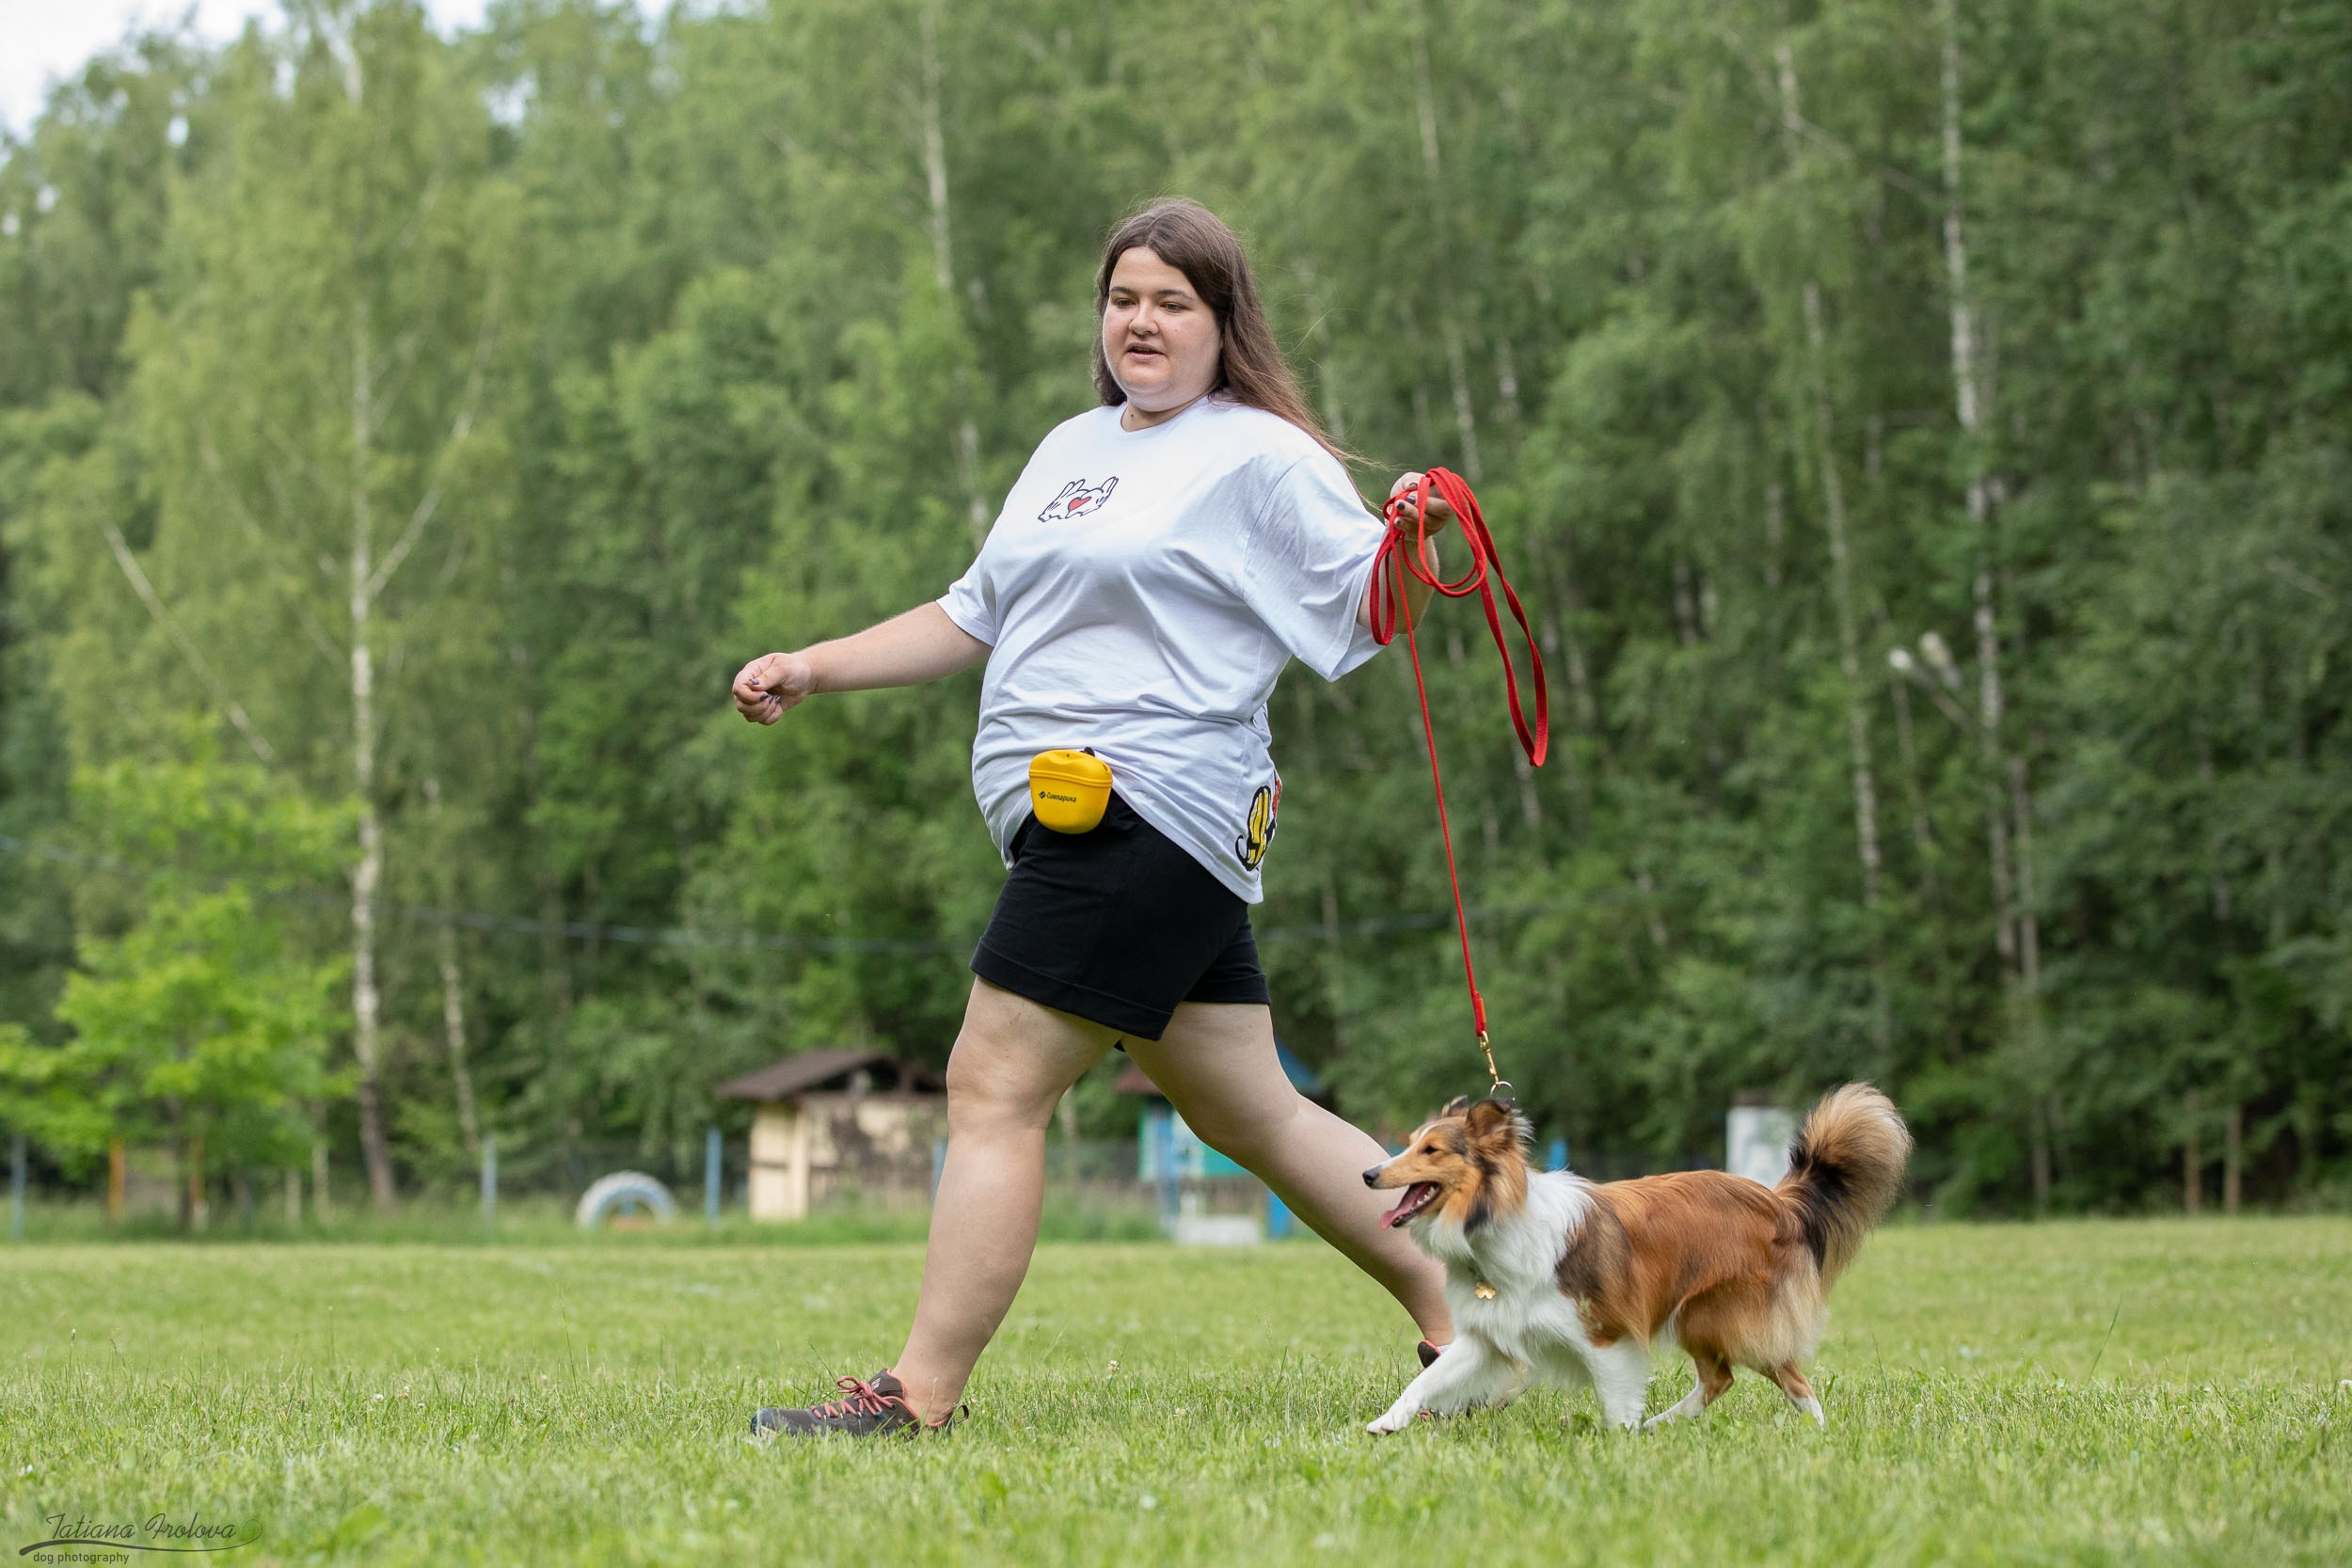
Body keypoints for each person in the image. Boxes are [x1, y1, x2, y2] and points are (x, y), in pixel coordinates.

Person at [730, 198, 1461, 1436]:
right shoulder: (1072, 450)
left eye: (1172, 301)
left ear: (1224, 325)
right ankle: (1468, 1322)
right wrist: (815, 664)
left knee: (995, 1083)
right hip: (1108, 827)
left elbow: (1367, 609)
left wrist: (1408, 540)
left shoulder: (1258, 454)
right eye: (1124, 298)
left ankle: (915, 1399)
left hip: (1144, 810)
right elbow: (975, 613)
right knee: (1249, 1107)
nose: (1141, 320)